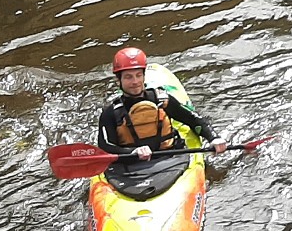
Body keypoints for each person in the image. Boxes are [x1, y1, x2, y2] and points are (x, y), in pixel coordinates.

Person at [96, 47, 228, 161]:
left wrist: (213, 138)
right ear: (118, 80)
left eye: (138, 75)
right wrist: (133, 152)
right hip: (132, 165)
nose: (135, 81)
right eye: (128, 77)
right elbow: (106, 147)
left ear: (144, 76)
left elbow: (192, 119)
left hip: (171, 158)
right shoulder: (111, 113)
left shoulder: (162, 100)